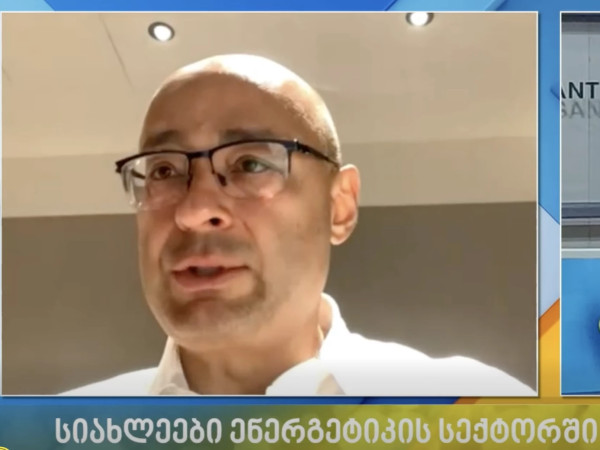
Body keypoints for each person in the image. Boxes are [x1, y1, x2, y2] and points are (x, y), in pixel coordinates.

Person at [64, 54, 534, 396]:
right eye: (164, 170)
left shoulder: (479, 414)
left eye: (250, 164)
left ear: (339, 206)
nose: (193, 210)